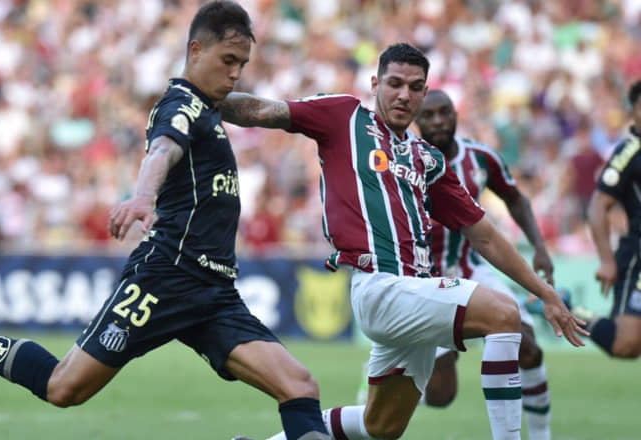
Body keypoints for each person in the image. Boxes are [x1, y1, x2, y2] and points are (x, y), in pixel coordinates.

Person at [0, 3, 331, 439]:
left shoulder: (210, 106)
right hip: (166, 276)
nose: (236, 73)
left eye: (243, 64)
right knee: (63, 387)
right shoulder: (180, 104)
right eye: (228, 60)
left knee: (299, 386)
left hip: (214, 291)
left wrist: (324, 117)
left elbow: (258, 109)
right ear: (196, 50)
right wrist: (143, 196)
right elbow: (163, 149)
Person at [218, 43, 586, 440]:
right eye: (394, 83)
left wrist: (544, 292)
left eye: (414, 87)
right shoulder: (344, 116)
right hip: (379, 286)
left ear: (424, 93)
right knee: (503, 313)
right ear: (375, 84)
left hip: (413, 292)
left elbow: (485, 235)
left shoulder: (427, 159)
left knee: (381, 425)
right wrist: (201, 96)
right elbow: (263, 110)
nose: (404, 95)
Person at [410, 90, 556, 439]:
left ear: (455, 115)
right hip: (425, 280)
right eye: (429, 115)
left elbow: (515, 199)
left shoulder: (480, 158)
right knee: (441, 395)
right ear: (417, 120)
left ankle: (541, 435)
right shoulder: (404, 159)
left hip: (471, 267)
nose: (438, 121)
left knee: (528, 346)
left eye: (445, 113)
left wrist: (539, 247)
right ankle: (390, 378)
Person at [585, 79, 641, 359]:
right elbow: (598, 205)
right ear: (633, 112)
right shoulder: (629, 152)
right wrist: (607, 260)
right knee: (625, 345)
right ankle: (567, 308)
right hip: (638, 257)